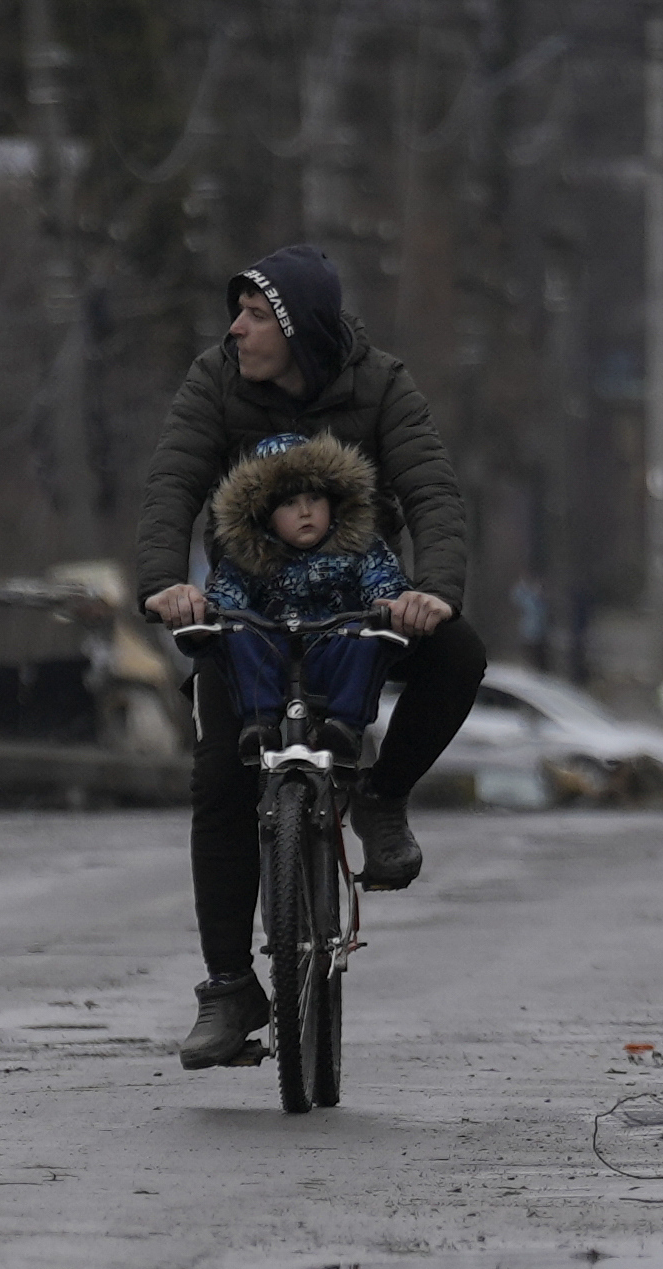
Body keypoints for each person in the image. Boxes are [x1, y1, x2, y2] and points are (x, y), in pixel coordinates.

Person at [135, 248, 487, 1070]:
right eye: (238, 313)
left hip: (354, 599)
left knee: (460, 654)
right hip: (249, 610)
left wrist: (430, 591)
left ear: (298, 328)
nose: (237, 329)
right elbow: (173, 483)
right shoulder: (214, 380)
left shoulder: (381, 385)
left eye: (255, 315)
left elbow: (431, 489)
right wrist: (164, 584)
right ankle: (230, 990)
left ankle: (384, 798)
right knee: (220, 778)